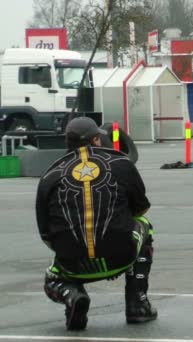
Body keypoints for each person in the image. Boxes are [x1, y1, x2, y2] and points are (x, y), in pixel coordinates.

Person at [35, 116, 157, 330]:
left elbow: (45, 234)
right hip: (121, 255)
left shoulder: (49, 175)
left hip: (73, 264)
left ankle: (73, 295)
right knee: (144, 224)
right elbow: (141, 208)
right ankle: (137, 303)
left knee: (52, 278)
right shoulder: (121, 163)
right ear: (97, 140)